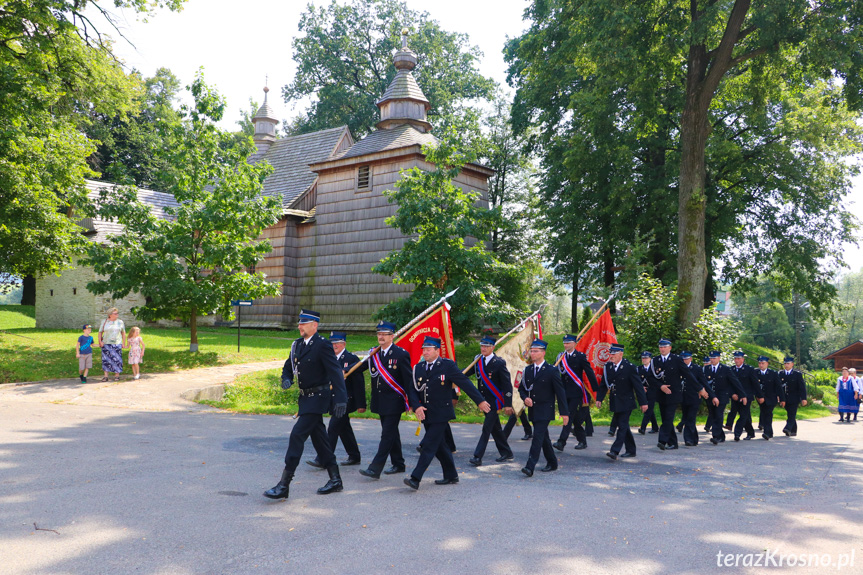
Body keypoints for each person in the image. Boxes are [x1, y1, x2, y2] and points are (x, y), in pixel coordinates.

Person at [264, 310, 348, 500]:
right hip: (305, 399)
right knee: (320, 440)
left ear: (314, 325)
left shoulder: (323, 345)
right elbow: (288, 367)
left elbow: (335, 372)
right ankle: (335, 479)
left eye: (304, 323)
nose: (300, 326)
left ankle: (284, 485)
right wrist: (286, 379)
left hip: (319, 398)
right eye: (299, 323)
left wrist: (341, 399)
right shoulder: (297, 345)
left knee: (297, 435)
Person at [404, 337, 489, 490]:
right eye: (424, 349)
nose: (425, 352)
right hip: (426, 413)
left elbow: (465, 383)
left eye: (428, 349)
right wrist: (416, 407)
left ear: (437, 351)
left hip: (441, 413)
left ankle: (415, 478)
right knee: (440, 445)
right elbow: (412, 390)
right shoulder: (418, 367)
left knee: (428, 445)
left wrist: (480, 401)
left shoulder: (447, 366)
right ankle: (451, 475)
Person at [355, 321, 415, 479]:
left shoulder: (400, 354)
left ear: (392, 336)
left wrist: (414, 402)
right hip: (380, 401)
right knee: (392, 433)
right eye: (379, 334)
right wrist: (345, 370)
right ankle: (399, 463)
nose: (381, 337)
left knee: (387, 435)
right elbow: (359, 367)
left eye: (384, 334)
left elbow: (408, 381)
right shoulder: (374, 353)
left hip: (395, 401)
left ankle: (375, 468)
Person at [307, 332, 366, 468]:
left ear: (344, 344)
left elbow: (359, 384)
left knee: (333, 428)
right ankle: (354, 455)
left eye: (337, 343)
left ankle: (323, 458)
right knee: (344, 428)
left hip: (346, 401)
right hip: (331, 399)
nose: (335, 346)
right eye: (332, 343)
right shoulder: (328, 358)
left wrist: (361, 404)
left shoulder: (351, 359)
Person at [519, 340, 569, 477]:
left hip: (546, 410)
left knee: (537, 437)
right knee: (544, 438)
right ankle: (552, 462)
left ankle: (530, 466)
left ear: (543, 353)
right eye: (532, 350)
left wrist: (565, 413)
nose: (532, 353)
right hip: (533, 410)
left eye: (536, 351)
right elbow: (521, 388)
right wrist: (525, 398)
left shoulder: (551, 370)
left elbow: (560, 393)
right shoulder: (528, 370)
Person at [595, 344, 648, 460]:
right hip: (615, 401)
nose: (611, 356)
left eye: (614, 354)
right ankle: (631, 450)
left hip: (626, 401)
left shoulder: (629, 367)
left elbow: (638, 386)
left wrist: (643, 402)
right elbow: (604, 384)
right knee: (624, 426)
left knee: (622, 425)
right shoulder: (608, 367)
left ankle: (614, 451)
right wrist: (599, 398)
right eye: (610, 353)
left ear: (621, 354)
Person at [469, 336, 514, 466]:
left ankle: (477, 456)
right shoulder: (477, 360)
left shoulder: (499, 363)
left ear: (493, 347)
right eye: (482, 346)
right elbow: (466, 374)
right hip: (483, 401)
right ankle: (506, 452)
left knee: (486, 429)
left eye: (486, 346)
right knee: (496, 429)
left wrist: (507, 404)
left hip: (495, 401)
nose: (483, 348)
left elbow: (507, 385)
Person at [553, 334, 599, 451]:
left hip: (576, 392)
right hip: (564, 392)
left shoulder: (580, 356)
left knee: (567, 415)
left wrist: (596, 390)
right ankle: (582, 440)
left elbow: (589, 372)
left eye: (568, 343)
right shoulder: (560, 357)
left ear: (574, 343)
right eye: (564, 343)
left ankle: (561, 442)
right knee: (574, 419)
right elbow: (554, 373)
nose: (565, 345)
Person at [651, 339, 698, 450]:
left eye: (665, 347)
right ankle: (673, 443)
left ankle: (662, 440)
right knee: (665, 418)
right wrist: (660, 386)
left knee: (668, 418)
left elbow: (688, 374)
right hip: (661, 394)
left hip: (674, 394)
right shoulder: (655, 360)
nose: (662, 349)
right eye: (661, 347)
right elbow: (650, 377)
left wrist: (699, 388)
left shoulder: (677, 359)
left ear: (670, 348)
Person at [705, 351, 745, 445]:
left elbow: (735, 382)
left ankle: (716, 436)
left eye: (714, 358)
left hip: (722, 396)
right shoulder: (706, 369)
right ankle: (721, 436)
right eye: (711, 358)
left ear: (719, 358)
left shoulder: (725, 369)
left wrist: (742, 394)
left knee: (718, 414)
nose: (712, 360)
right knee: (713, 414)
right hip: (710, 396)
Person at [680, 351, 711, 446]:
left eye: (686, 358)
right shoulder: (679, 368)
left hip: (694, 396)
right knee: (687, 417)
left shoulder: (696, 368)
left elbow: (703, 381)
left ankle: (688, 439)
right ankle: (694, 438)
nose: (684, 360)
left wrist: (705, 392)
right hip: (683, 396)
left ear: (690, 359)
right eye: (683, 359)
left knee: (690, 417)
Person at [754, 356, 785, 440]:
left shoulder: (773, 373)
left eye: (763, 363)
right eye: (760, 363)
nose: (761, 365)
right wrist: (758, 396)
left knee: (768, 413)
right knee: (764, 413)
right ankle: (769, 432)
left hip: (771, 398)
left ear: (767, 364)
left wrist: (782, 399)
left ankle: (767, 432)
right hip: (760, 398)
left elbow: (779, 387)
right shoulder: (755, 372)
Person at [730, 351, 759, 440]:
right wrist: (732, 394)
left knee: (743, 415)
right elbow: (729, 384)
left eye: (738, 358)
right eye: (735, 358)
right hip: (735, 396)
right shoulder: (731, 369)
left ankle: (737, 433)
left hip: (747, 396)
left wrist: (759, 395)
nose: (737, 360)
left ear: (743, 359)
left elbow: (754, 383)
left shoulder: (749, 369)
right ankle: (750, 433)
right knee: (745, 415)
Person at [779, 356, 807, 437]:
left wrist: (803, 398)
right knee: (790, 413)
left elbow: (802, 387)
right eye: (785, 363)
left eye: (788, 363)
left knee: (792, 413)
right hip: (784, 398)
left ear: (792, 364)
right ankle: (793, 430)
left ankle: (787, 428)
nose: (786, 365)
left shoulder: (797, 374)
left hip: (794, 398)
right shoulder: (781, 373)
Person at [98, 308, 126, 381]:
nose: (117, 315)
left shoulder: (120, 322)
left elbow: (123, 333)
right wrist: (100, 342)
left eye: (117, 313)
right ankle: (106, 376)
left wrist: (123, 343)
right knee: (106, 359)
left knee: (117, 359)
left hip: (117, 343)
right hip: (106, 343)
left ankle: (117, 375)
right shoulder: (104, 322)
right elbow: (100, 332)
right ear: (110, 315)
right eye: (115, 313)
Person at [637, 351, 660, 435]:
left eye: (646, 358)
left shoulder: (654, 368)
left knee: (648, 409)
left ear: (650, 359)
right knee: (650, 410)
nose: (644, 360)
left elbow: (657, 379)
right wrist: (641, 387)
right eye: (643, 358)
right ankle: (655, 427)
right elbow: (637, 380)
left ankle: (643, 428)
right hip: (643, 391)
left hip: (653, 391)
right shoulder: (639, 369)